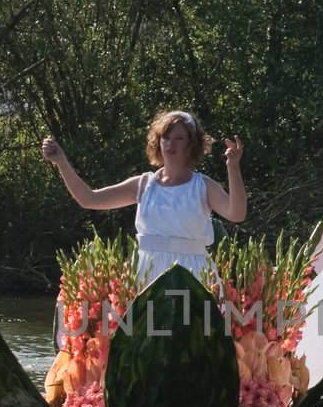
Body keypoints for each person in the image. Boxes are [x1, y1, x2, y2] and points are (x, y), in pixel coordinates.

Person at [41, 110, 246, 282]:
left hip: (193, 273)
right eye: (166, 137)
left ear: (191, 144)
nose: (170, 144)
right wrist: (61, 162)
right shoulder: (143, 184)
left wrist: (233, 168)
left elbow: (236, 214)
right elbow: (89, 199)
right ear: (158, 141)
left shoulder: (204, 186)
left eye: (179, 138)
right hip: (146, 272)